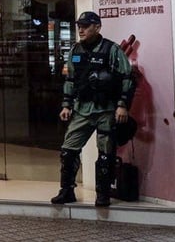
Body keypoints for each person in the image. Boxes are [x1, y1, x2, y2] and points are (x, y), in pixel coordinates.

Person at [51, 11, 134, 208]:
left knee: (105, 153)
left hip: (106, 110)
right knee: (68, 150)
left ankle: (103, 194)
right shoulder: (75, 50)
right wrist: (66, 104)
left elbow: (127, 78)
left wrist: (122, 105)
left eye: (86, 26)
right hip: (82, 109)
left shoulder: (111, 50)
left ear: (97, 27)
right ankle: (67, 191)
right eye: (79, 26)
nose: (81, 30)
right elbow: (70, 79)